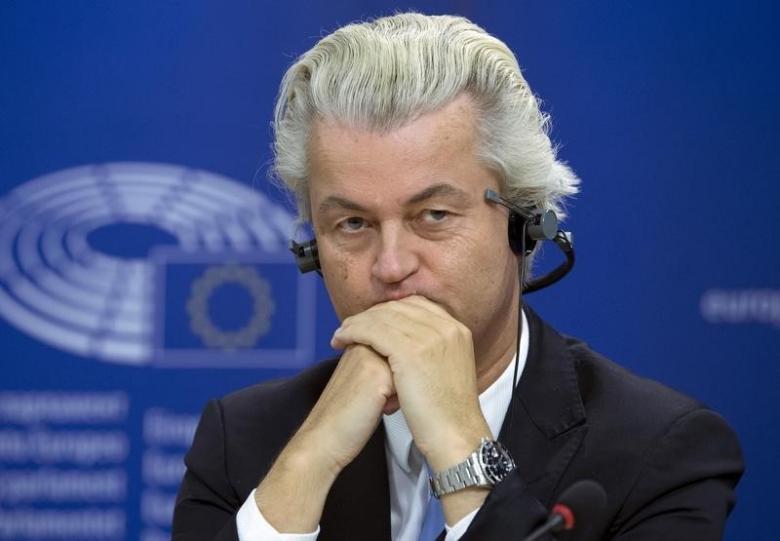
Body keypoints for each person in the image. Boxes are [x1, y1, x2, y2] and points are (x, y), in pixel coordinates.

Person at [172, 13, 743, 540]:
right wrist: (307, 464)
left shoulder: (661, 450)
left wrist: (459, 446)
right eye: (351, 223)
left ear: (522, 220)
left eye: (434, 216)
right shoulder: (244, 439)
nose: (391, 266)